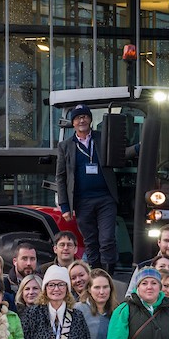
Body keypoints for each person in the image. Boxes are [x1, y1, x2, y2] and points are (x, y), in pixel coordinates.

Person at [56, 103, 123, 274]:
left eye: (85, 117)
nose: (82, 120)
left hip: (105, 198)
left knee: (107, 240)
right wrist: (65, 206)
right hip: (82, 201)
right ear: (73, 123)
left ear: (91, 120)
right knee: (91, 242)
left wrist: (138, 148)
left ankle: (108, 277)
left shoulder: (102, 138)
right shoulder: (65, 146)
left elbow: (120, 154)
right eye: (78, 118)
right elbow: (61, 177)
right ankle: (95, 276)